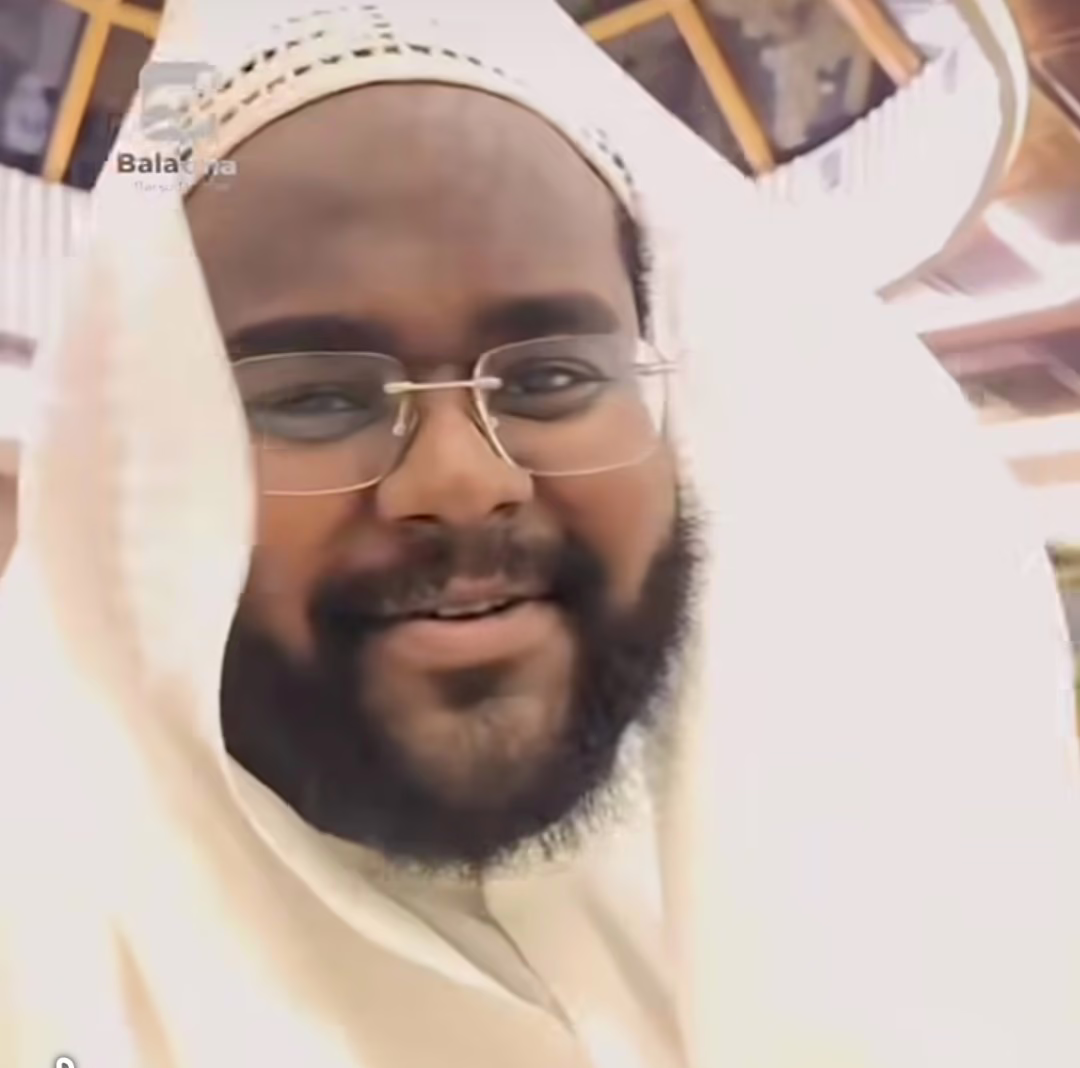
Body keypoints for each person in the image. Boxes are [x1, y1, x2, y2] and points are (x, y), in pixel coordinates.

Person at [2, 1, 1080, 1066]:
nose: (465, 483)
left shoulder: (913, 894)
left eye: (551, 377)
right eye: (315, 397)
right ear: (135, 469)